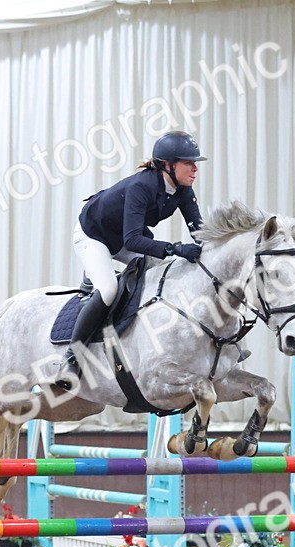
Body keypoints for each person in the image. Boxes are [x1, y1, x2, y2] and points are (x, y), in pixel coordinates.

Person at [55, 131, 206, 388]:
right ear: (167, 165)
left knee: (165, 274)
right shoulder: (141, 187)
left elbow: (200, 233)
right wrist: (176, 248)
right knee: (108, 290)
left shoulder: (184, 190)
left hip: (123, 235)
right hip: (94, 235)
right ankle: (72, 358)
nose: (194, 168)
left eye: (195, 163)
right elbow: (134, 241)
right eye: (188, 163)